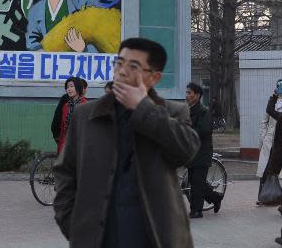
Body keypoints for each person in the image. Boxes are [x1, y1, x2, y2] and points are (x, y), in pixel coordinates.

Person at [53, 37, 200, 248]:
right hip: (100, 238)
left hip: (155, 239)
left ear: (154, 77)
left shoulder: (173, 113)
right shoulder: (86, 116)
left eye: (133, 66)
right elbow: (65, 171)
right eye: (119, 63)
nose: (122, 71)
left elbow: (186, 151)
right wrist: (72, 223)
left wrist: (143, 108)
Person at [185, 82, 222, 217]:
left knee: (197, 183)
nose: (187, 95)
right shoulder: (188, 110)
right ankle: (215, 197)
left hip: (202, 152)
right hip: (191, 152)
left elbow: (204, 130)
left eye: (190, 93)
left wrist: (186, 130)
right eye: (187, 92)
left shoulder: (204, 111)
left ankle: (196, 211)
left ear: (198, 95)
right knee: (196, 182)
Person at [259, 81, 282, 206]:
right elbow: (268, 114)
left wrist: (273, 96)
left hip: (278, 151)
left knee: (270, 172)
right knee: (267, 172)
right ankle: (265, 196)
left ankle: (270, 197)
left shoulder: (280, 117)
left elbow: (270, 109)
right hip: (274, 148)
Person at [52, 77, 88, 154]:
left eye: (71, 86)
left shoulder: (85, 105)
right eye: (67, 87)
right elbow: (63, 129)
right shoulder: (66, 106)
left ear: (78, 88)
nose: (69, 89)